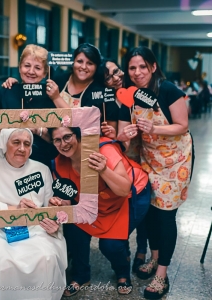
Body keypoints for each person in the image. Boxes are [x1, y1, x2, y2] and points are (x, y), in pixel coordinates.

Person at [119, 46, 192, 299]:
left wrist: (155, 128)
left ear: (152, 67)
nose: (137, 72)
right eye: (132, 67)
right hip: (149, 159)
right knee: (150, 214)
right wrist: (126, 135)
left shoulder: (169, 90)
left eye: (142, 66)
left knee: (165, 217)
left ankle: (162, 273)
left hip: (175, 163)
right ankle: (153, 257)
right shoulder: (131, 95)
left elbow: (182, 126)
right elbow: (128, 130)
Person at [0, 128, 67, 300]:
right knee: (2, 263)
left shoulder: (42, 169)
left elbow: (49, 207)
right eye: (16, 142)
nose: (22, 148)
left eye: (27, 144)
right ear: (5, 144)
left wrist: (54, 214)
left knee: (46, 257)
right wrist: (13, 209)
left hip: (35, 230)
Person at [48, 126, 133, 296]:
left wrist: (103, 169)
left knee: (111, 246)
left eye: (67, 137)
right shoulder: (58, 163)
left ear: (78, 136)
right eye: (57, 140)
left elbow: (124, 189)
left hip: (115, 205)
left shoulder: (104, 150)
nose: (63, 144)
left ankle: (123, 273)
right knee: (73, 232)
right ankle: (81, 276)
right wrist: (58, 202)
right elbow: (67, 197)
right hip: (86, 206)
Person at [98, 58, 150, 273]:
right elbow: (119, 138)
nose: (115, 77)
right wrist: (117, 137)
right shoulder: (106, 99)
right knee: (126, 206)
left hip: (146, 155)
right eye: (108, 76)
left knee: (145, 206)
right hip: (122, 157)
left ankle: (142, 250)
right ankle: (126, 248)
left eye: (117, 71)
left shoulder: (138, 90)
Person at [2, 43, 117, 138]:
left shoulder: (101, 91)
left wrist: (56, 98)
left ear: (97, 66)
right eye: (79, 61)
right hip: (56, 144)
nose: (83, 67)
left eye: (90, 63)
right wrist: (18, 85)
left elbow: (79, 124)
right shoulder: (58, 80)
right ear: (73, 62)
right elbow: (34, 88)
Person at [0, 44, 68, 168]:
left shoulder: (51, 96)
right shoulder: (6, 91)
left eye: (38, 68)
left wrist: (37, 129)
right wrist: (17, 124)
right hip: (9, 164)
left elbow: (61, 135)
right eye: (27, 66)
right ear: (19, 68)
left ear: (45, 73)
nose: (31, 71)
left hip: (41, 164)